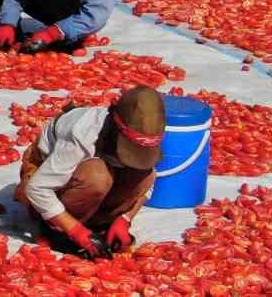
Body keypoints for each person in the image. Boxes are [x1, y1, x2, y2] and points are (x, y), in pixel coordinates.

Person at [15, 86, 166, 259]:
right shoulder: (82, 133)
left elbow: (148, 185)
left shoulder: (149, 133)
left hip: (90, 180)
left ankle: (100, 224)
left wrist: (125, 219)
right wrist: (74, 229)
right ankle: (55, 228)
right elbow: (37, 188)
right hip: (46, 175)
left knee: (145, 175)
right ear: (115, 127)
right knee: (97, 176)